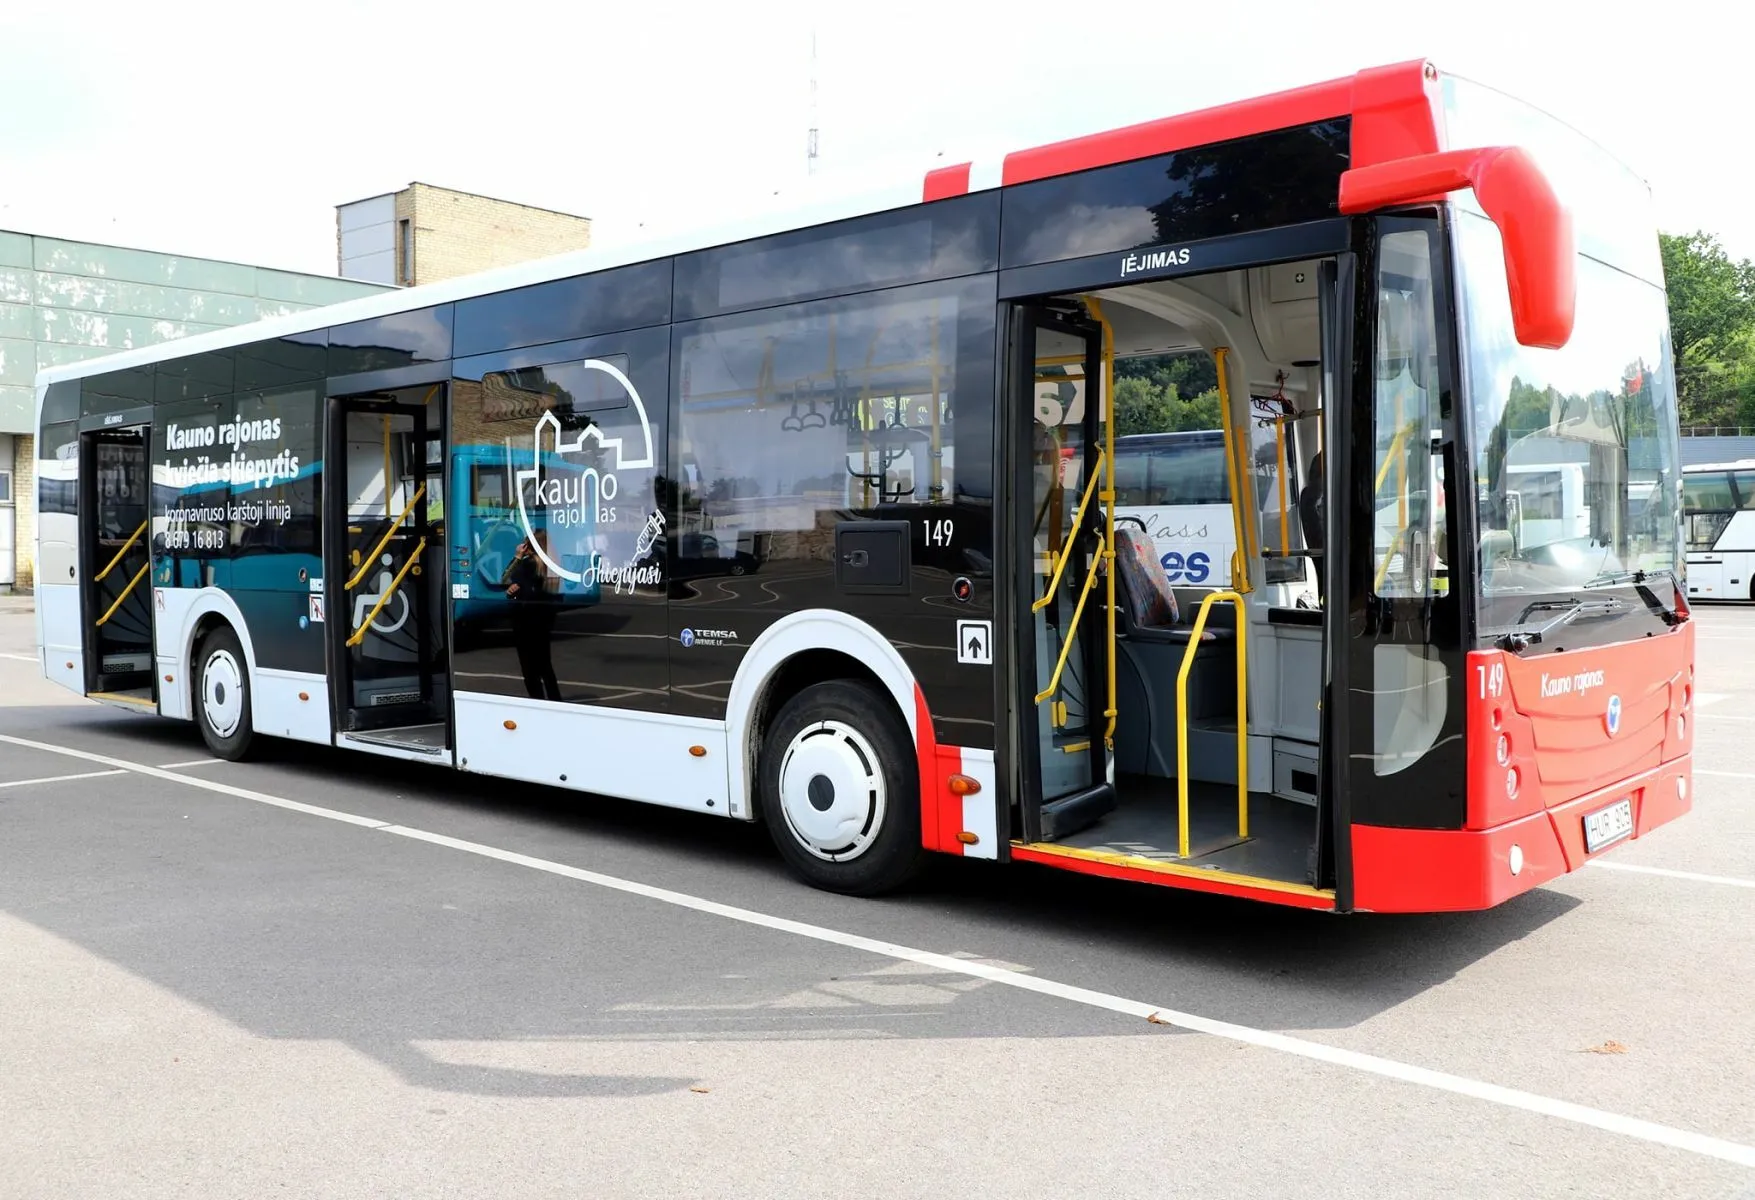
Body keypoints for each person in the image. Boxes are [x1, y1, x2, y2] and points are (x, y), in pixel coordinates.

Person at [504, 529, 562, 702]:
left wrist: (517, 556)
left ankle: (537, 700)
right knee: (545, 665)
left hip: (525, 620)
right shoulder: (551, 565)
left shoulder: (527, 565)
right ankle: (555, 700)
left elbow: (505, 576)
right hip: (544, 619)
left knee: (529, 667)